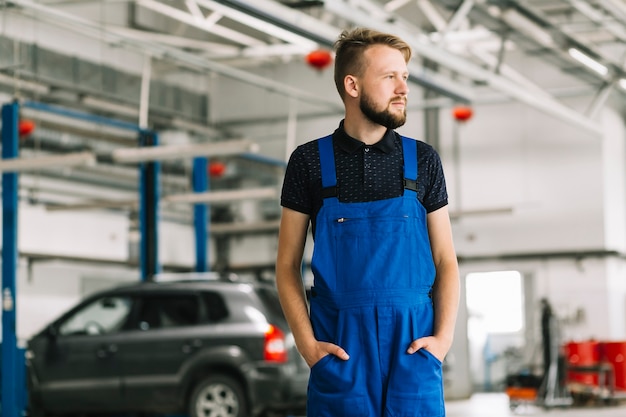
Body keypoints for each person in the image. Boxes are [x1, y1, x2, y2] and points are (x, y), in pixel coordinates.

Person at [275, 27, 460, 416]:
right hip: (342, 349)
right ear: (352, 85)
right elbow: (287, 266)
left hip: (413, 347)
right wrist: (309, 348)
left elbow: (446, 261)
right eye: (389, 76)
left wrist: (442, 341)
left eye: (404, 76)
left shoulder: (423, 160)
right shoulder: (309, 162)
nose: (403, 88)